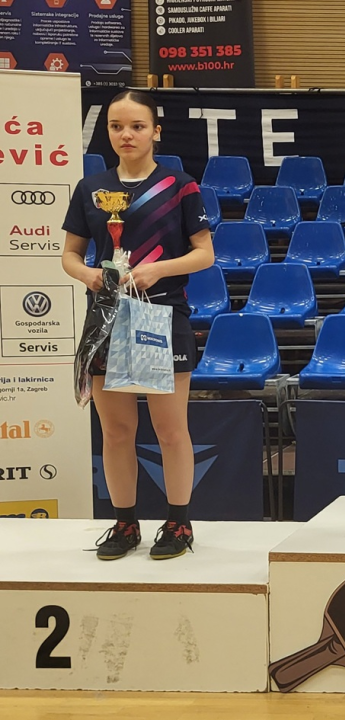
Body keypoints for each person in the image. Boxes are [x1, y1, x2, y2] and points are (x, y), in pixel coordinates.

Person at [62, 90, 214, 561]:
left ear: (155, 131)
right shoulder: (90, 188)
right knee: (116, 431)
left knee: (171, 430)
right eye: (116, 126)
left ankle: (179, 523)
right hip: (106, 320)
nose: (126, 135)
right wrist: (88, 274)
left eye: (137, 126)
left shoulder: (180, 185)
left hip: (163, 317)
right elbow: (69, 255)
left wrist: (159, 269)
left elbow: (204, 253)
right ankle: (125, 524)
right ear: (106, 130)